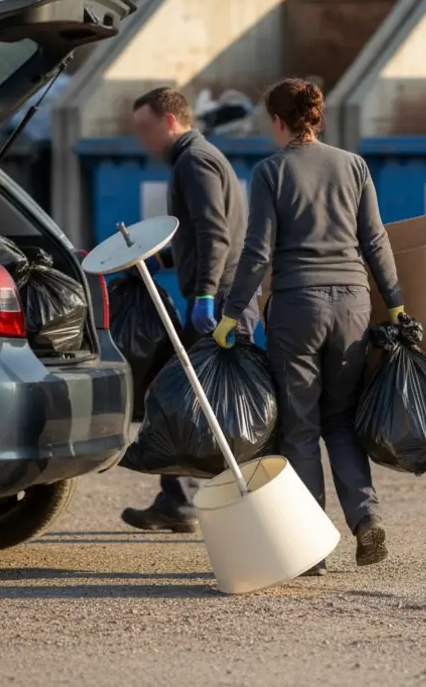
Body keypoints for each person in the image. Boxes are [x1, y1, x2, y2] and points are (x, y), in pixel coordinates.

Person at [214, 78, 405, 576]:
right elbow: (375, 240)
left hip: (297, 307)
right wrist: (396, 305)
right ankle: (366, 519)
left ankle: (310, 547)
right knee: (341, 420)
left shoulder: (270, 171)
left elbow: (257, 251)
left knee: (300, 427)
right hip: (354, 306)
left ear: (279, 121)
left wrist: (232, 315)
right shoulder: (354, 165)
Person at [120, 86, 261, 533]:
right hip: (226, 295)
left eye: (145, 128)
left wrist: (204, 295)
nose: (142, 139)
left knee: (210, 405)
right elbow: (196, 238)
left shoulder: (194, 162)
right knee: (200, 402)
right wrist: (161, 260)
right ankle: (179, 501)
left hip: (221, 301)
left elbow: (213, 233)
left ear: (169, 121)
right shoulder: (201, 157)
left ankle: (232, 504)